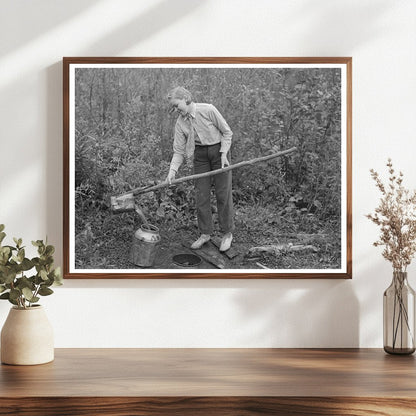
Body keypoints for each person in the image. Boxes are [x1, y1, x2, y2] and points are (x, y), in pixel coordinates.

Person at [165, 86, 234, 252]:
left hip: (219, 152)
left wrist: (224, 153)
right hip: (200, 155)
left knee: (222, 194)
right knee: (201, 195)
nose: (175, 110)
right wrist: (172, 171)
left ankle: (227, 233)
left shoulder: (208, 110)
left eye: (177, 105)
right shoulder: (180, 123)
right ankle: (205, 233)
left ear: (186, 99)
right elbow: (179, 151)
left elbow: (227, 132)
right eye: (173, 107)